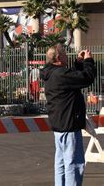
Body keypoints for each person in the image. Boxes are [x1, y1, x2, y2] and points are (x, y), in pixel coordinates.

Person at [40, 45, 96, 186]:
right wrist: (88, 61)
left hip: (59, 124)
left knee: (61, 163)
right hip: (69, 124)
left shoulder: (51, 73)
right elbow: (86, 78)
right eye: (64, 54)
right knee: (74, 164)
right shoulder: (60, 74)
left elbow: (72, 78)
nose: (67, 56)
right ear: (58, 58)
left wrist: (79, 62)